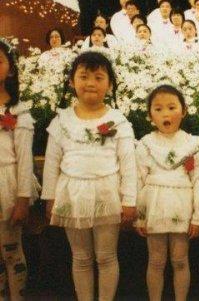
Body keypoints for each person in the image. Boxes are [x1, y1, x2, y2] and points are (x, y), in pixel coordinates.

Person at [42, 51, 137, 301]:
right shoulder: (61, 120)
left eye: (98, 77)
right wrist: (49, 197)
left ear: (110, 83)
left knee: (106, 257)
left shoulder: (118, 121)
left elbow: (128, 164)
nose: (91, 83)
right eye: (84, 76)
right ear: (72, 81)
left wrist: (129, 200)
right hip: (72, 195)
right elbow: (52, 162)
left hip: (107, 194)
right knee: (81, 258)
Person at [135, 85, 199, 301]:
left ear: (183, 110)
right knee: (156, 261)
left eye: (171, 107)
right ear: (150, 115)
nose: (165, 114)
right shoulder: (146, 144)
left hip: (181, 207)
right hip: (154, 208)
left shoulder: (193, 145)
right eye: (158, 109)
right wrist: (140, 216)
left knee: (180, 260)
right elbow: (138, 180)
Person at [0, 38, 35, 301]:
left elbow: (24, 160)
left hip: (7, 185)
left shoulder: (18, 112)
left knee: (11, 250)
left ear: (10, 69)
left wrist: (23, 199)